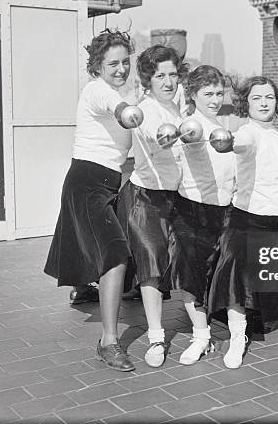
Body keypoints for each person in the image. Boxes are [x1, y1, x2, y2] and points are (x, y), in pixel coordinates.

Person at [44, 29, 143, 372]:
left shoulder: (122, 93)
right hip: (86, 182)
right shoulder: (98, 91)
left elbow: (125, 150)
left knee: (99, 244)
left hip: (109, 183)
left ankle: (86, 289)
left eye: (125, 62)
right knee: (115, 253)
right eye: (113, 63)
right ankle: (109, 343)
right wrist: (126, 110)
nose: (120, 69)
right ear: (97, 67)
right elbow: (115, 107)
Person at [206, 76, 278, 369]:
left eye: (269, 98)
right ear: (246, 103)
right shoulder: (248, 134)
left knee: (277, 289)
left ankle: (245, 328)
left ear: (277, 103)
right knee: (237, 283)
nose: (263, 103)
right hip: (245, 223)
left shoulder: (277, 137)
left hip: (271, 226)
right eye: (257, 98)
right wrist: (227, 143)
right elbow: (239, 144)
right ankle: (237, 339)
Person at [117, 45, 189, 368]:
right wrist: (172, 136)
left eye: (173, 74)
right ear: (148, 78)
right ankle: (157, 338)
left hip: (175, 198)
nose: (168, 81)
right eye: (160, 75)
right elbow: (154, 137)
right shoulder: (142, 110)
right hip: (144, 199)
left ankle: (201, 331)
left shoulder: (181, 110)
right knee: (150, 265)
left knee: (181, 263)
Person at [170, 65, 236, 365]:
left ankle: (231, 332)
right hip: (193, 209)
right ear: (193, 94)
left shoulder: (225, 127)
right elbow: (188, 139)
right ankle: (201, 336)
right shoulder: (190, 126)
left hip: (225, 210)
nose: (214, 99)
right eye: (207, 93)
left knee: (224, 274)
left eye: (219, 93)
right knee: (191, 274)